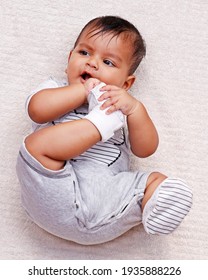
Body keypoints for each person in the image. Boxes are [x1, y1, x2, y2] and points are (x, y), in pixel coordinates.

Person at [16, 16, 193, 245]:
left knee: (155, 182)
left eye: (108, 62)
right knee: (35, 147)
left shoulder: (120, 106)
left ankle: (154, 208)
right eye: (84, 53)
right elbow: (37, 110)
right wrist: (81, 92)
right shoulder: (55, 87)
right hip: (52, 194)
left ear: (126, 84)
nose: (92, 63)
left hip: (107, 205)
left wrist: (136, 109)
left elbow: (146, 149)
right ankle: (97, 126)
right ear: (69, 59)